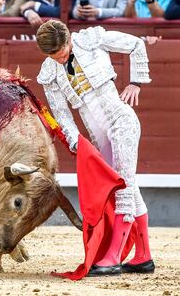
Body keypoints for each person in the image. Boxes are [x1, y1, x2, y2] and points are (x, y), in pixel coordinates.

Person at [36, 20, 154, 276]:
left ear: (68, 40)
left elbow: (136, 44)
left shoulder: (90, 40)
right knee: (128, 188)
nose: (61, 60)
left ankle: (112, 256)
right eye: (55, 58)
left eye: (63, 54)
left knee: (124, 187)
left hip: (121, 122)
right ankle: (143, 256)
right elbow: (61, 114)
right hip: (98, 136)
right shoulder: (49, 72)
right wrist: (76, 140)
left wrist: (136, 83)